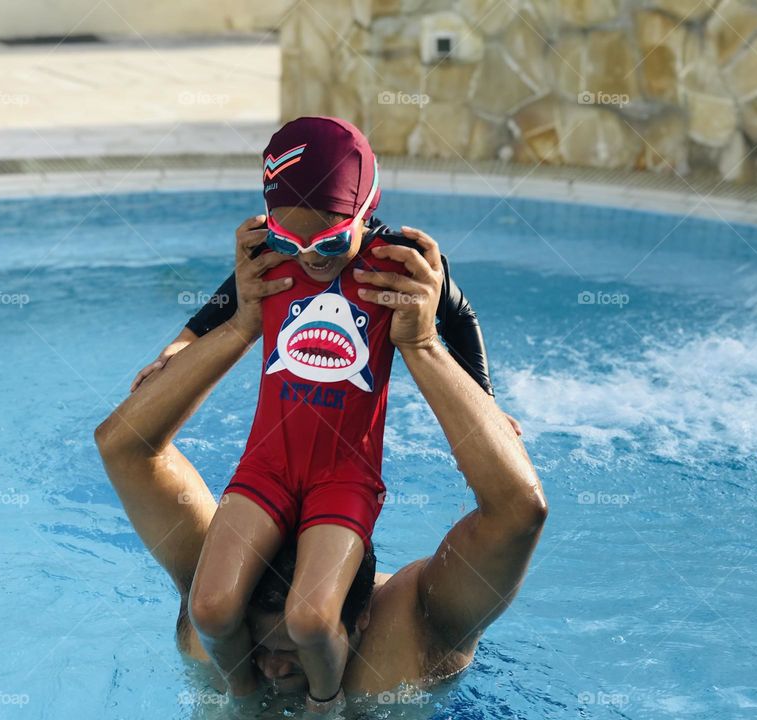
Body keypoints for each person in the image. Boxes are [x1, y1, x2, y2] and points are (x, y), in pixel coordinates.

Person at [121, 116, 517, 713]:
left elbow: (458, 318)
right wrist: (178, 349)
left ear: (367, 212)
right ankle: (244, 699)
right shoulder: (265, 257)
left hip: (344, 473)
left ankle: (322, 706)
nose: (309, 259)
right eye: (288, 240)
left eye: (331, 243)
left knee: (310, 618)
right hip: (267, 465)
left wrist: (484, 399)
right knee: (211, 606)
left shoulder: (396, 262)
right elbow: (219, 307)